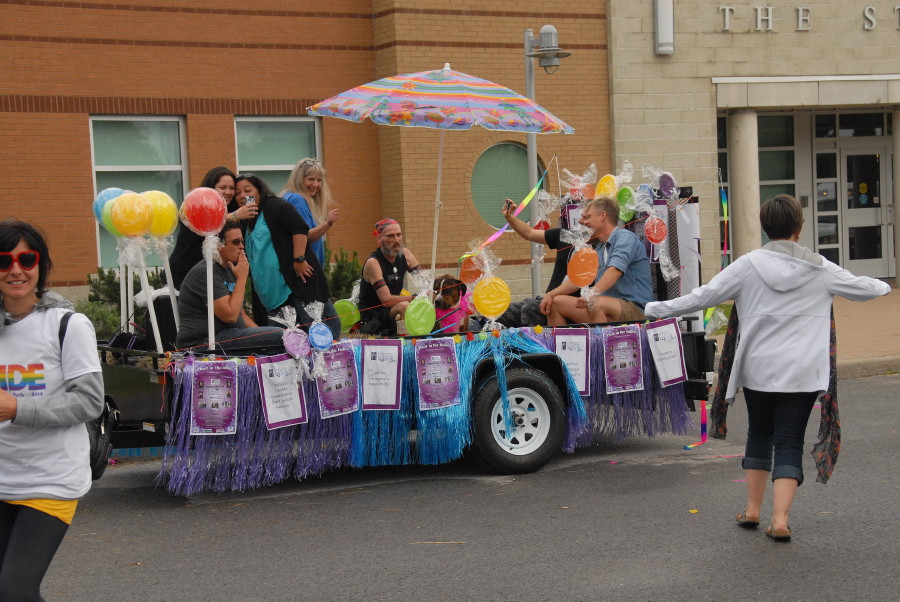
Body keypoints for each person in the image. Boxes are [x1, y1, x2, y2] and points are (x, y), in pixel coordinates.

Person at [644, 195, 891, 541]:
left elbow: (703, 296)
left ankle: (753, 510)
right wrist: (883, 286)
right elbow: (865, 289)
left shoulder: (748, 265)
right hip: (804, 371)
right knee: (789, 440)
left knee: (759, 434)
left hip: (758, 368)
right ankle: (780, 519)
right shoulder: (821, 268)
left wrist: (655, 308)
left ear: (764, 227)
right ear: (799, 227)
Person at [0, 220, 104, 600]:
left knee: (14, 592)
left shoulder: (67, 325)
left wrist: (17, 408)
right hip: (3, 476)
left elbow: (89, 401)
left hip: (50, 481)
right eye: (4, 260)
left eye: (27, 259)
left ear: (40, 266)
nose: (16, 269)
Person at [237, 173, 341, 341]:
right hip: (270, 296)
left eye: (247, 190)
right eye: (238, 192)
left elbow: (299, 227)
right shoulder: (246, 218)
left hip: (294, 285)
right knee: (284, 346)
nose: (242, 195)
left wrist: (299, 259)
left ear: (259, 190)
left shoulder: (273, 206)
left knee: (321, 336)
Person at [176, 222, 286, 353]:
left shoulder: (229, 268)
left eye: (242, 241)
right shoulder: (206, 272)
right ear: (219, 245)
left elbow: (241, 315)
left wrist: (259, 333)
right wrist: (242, 277)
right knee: (280, 336)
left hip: (227, 335)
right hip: (202, 342)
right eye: (236, 242)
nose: (241, 247)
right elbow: (230, 316)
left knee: (283, 336)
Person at [540, 197, 652, 325]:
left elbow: (615, 271)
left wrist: (592, 293)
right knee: (555, 303)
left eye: (588, 217)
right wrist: (551, 294)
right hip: (603, 307)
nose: (583, 222)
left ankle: (598, 344)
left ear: (603, 215)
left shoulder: (625, 238)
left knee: (595, 303)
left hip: (636, 309)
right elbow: (578, 280)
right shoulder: (598, 247)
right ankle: (563, 344)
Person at [498, 198, 599, 327]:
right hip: (546, 301)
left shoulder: (599, 248)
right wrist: (509, 217)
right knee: (504, 311)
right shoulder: (567, 236)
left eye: (586, 218)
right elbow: (529, 233)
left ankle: (535, 346)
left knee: (530, 309)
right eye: (581, 216)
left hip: (570, 305)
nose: (580, 221)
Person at [168, 167, 259, 290]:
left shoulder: (231, 211)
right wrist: (234, 216)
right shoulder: (195, 206)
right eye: (222, 188)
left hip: (215, 277)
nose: (228, 192)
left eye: (232, 188)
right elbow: (206, 222)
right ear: (210, 188)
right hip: (184, 275)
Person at [358, 218, 423, 335]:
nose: (397, 240)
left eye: (399, 235)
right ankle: (406, 343)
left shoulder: (405, 254)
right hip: (374, 317)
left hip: (392, 311)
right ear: (379, 239)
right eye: (390, 236)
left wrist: (436, 282)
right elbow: (386, 300)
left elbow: (424, 281)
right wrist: (414, 298)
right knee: (404, 305)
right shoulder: (373, 262)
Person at [281, 158, 340, 268]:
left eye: (319, 180)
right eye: (311, 179)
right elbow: (304, 236)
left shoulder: (287, 196)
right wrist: (328, 223)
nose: (316, 184)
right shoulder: (298, 200)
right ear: (299, 179)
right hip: (305, 269)